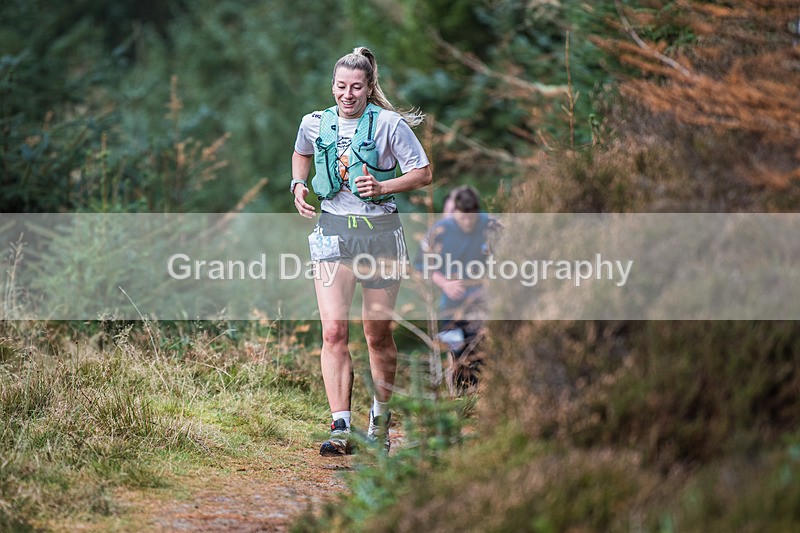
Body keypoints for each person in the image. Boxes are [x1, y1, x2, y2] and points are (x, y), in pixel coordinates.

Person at [291, 47, 432, 456]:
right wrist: (298, 185)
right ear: (332, 86)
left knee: (376, 334)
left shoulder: (389, 124)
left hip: (381, 235)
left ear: (370, 88)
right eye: (340, 86)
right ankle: (340, 427)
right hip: (333, 231)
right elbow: (301, 153)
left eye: (356, 87)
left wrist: (383, 187)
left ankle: (380, 422)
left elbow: (423, 173)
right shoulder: (314, 122)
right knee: (334, 330)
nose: (347, 94)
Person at [414, 186, 498, 392]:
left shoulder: (491, 226)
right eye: (463, 218)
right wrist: (444, 283)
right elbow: (420, 263)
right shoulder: (441, 230)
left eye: (472, 218)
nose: (468, 223)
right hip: (450, 306)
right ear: (456, 212)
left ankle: (483, 399)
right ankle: (458, 400)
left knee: (481, 352)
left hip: (483, 304)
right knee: (456, 354)